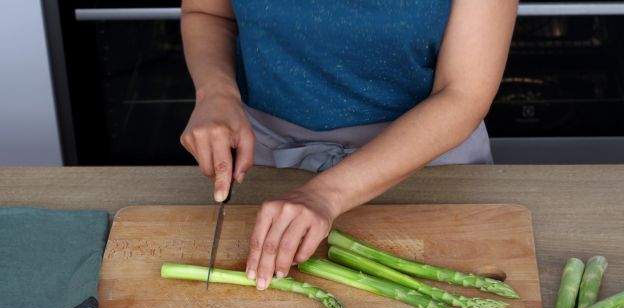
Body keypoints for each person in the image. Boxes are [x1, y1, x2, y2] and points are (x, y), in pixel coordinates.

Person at [180, 0, 518, 290]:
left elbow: (463, 95)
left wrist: (323, 194)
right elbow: (207, 13)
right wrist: (216, 92)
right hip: (262, 161)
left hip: (427, 165)